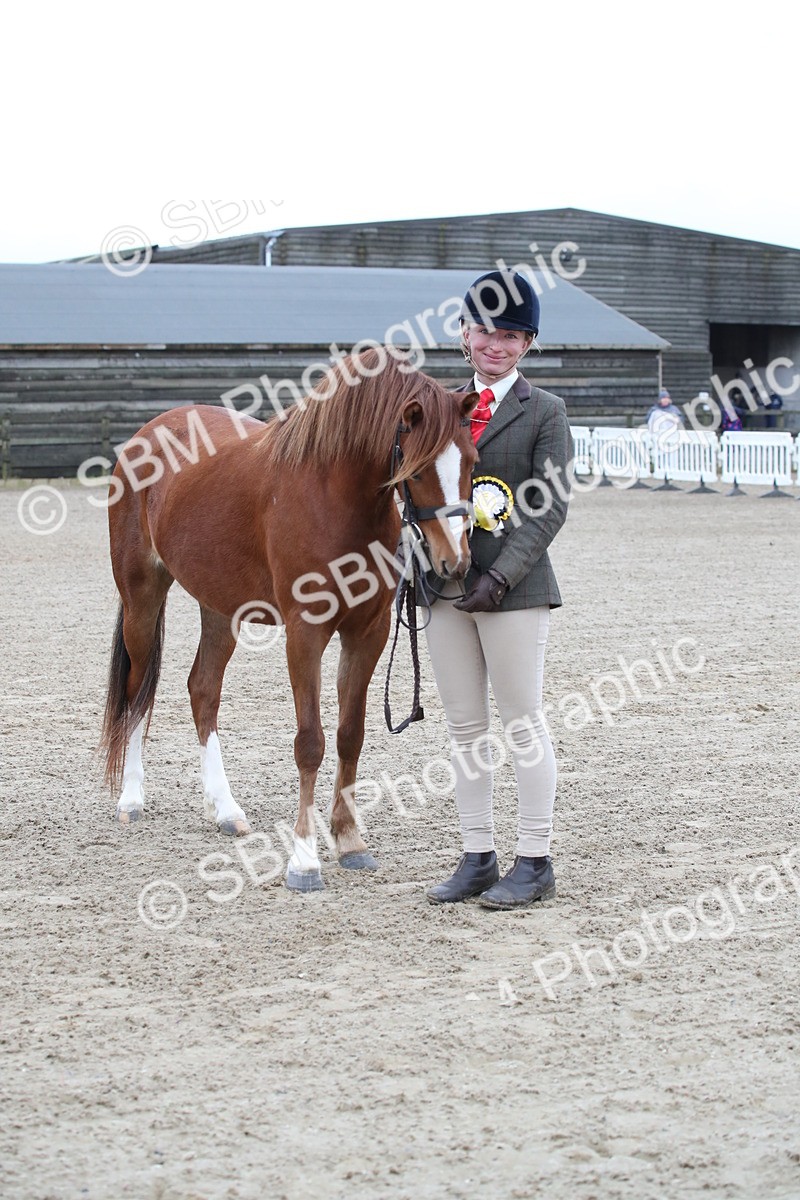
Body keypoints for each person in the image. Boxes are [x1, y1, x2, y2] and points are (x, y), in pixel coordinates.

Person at [423, 269, 573, 910]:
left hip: (513, 590)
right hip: (443, 589)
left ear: (527, 344)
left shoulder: (544, 412)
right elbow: (415, 493)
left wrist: (501, 575)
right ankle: (477, 854)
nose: (496, 344)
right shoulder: (435, 408)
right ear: (464, 334)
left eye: (511, 335)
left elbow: (549, 506)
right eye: (486, 330)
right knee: (463, 727)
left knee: (521, 725)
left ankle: (534, 860)